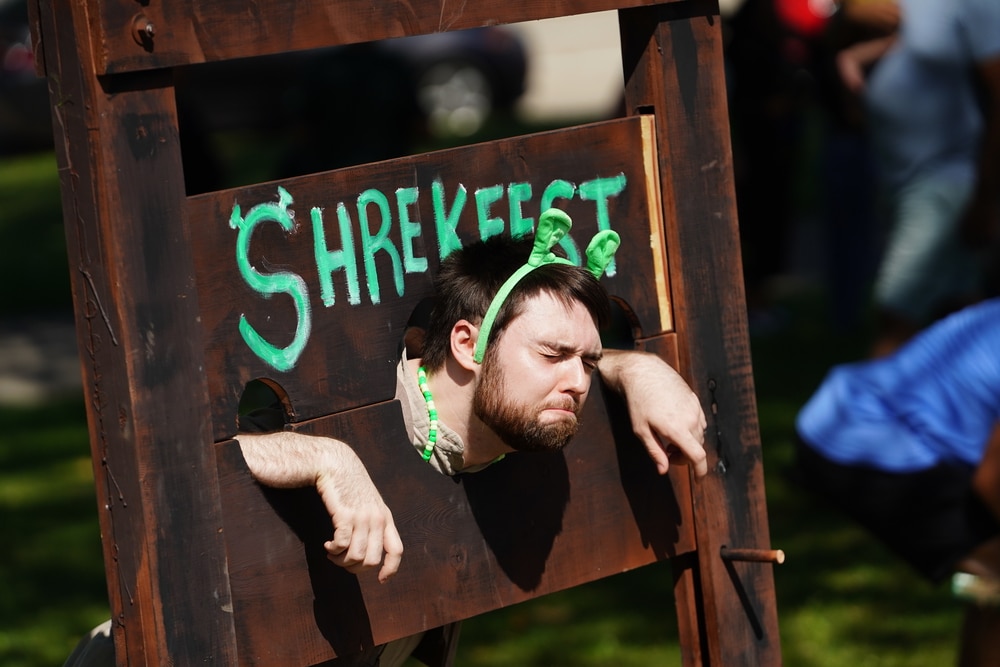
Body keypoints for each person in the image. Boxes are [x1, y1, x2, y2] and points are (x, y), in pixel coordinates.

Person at [66, 210, 709, 666]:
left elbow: (572, 380)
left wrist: (637, 364)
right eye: (554, 354)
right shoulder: (371, 407)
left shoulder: (512, 426)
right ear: (466, 343)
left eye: (589, 364)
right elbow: (169, 470)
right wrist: (329, 456)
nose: (578, 383)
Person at [795, 296, 1000, 666]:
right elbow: (992, 480)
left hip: (845, 410)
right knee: (996, 574)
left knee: (990, 583)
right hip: (869, 438)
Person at [834, 0, 1000, 357]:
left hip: (946, 181)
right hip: (902, 178)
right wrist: (852, 40)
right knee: (959, 313)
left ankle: (872, 411)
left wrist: (986, 197)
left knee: (895, 311)